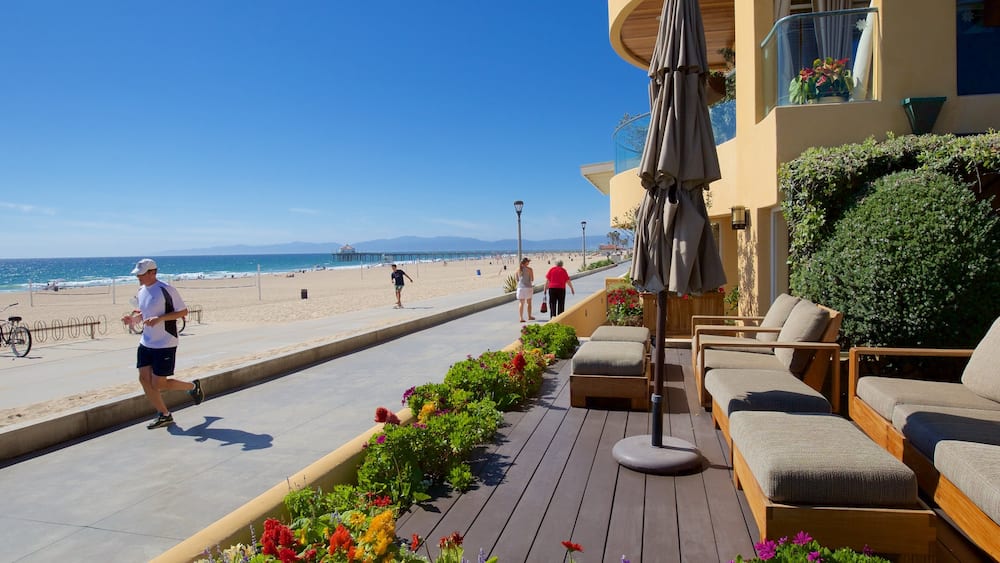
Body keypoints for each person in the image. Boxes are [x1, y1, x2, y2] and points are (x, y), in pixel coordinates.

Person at [121, 258, 204, 429]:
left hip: (165, 342)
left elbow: (183, 311)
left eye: (141, 274)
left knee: (159, 383)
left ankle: (193, 386)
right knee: (144, 379)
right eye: (137, 274)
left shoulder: (166, 289)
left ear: (153, 273)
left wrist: (160, 319)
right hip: (146, 342)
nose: (138, 277)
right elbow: (143, 313)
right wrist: (133, 319)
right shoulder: (142, 290)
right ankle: (164, 415)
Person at [515, 257, 535, 322]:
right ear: (526, 262)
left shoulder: (518, 270)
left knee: (521, 303)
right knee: (529, 303)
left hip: (520, 288)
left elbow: (517, 279)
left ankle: (521, 318)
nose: (529, 263)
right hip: (528, 287)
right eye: (528, 262)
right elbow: (532, 279)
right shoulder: (530, 269)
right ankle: (529, 316)